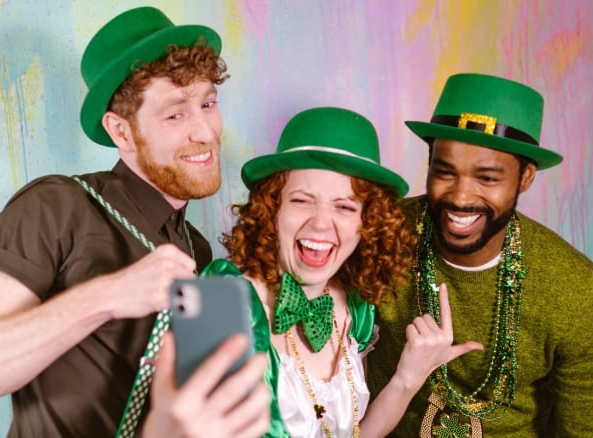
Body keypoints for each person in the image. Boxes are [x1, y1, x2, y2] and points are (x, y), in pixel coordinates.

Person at [0, 7, 270, 438]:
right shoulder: (56, 206)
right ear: (122, 132)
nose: (205, 131)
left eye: (207, 103)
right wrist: (108, 295)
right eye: (175, 114)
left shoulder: (195, 248)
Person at [366, 73, 593, 437]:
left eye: (486, 178)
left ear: (525, 177)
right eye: (444, 172)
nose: (460, 196)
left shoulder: (576, 290)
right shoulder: (379, 237)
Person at [202, 106, 483, 437]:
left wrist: (409, 378)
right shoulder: (221, 299)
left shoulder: (355, 309)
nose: (321, 223)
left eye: (344, 206)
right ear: (272, 208)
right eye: (302, 201)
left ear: (367, 223)